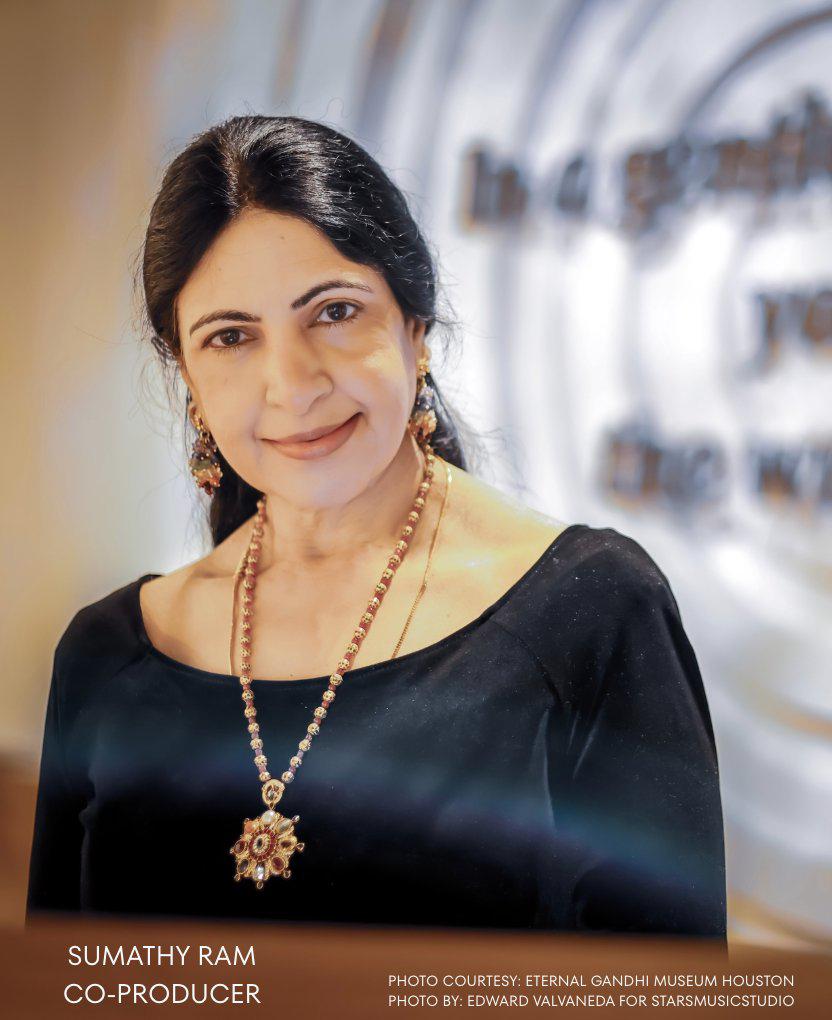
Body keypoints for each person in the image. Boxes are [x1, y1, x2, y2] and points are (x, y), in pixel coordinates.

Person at [26, 115, 726, 936]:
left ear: (414, 328)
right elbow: (68, 986)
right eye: (231, 336)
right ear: (188, 375)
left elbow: (660, 988)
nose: (292, 385)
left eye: (333, 312)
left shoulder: (592, 610)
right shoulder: (106, 655)